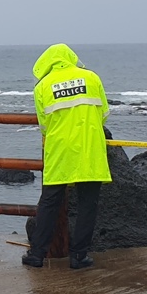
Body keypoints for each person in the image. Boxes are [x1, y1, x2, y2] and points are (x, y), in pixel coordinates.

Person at [23, 44, 111, 270]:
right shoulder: (91, 77)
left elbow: (44, 125)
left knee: (50, 202)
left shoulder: (42, 86)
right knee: (87, 204)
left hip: (59, 150)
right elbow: (104, 113)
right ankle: (79, 256)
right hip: (89, 148)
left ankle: (37, 254)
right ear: (71, 57)